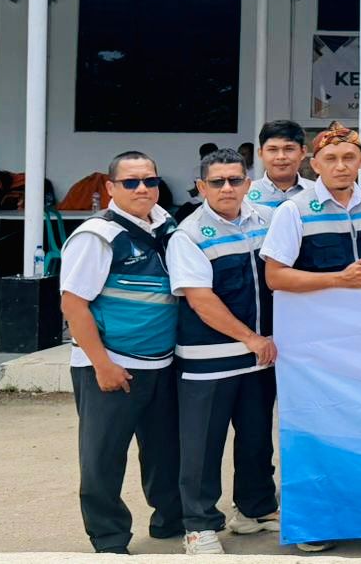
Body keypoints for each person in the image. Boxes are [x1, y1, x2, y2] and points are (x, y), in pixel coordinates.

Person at [259, 122, 361, 553]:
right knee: (316, 434)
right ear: (314, 164)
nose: (340, 166)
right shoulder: (294, 211)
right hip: (313, 348)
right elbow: (275, 277)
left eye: (349, 158)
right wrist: (337, 280)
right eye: (330, 159)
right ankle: (315, 523)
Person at [58, 151, 181, 555]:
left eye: (149, 180)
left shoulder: (167, 226)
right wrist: (102, 364)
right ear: (111, 188)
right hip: (113, 366)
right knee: (103, 457)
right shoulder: (97, 236)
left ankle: (170, 521)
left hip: (161, 363)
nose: (142, 188)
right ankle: (109, 539)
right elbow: (74, 304)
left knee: (164, 451)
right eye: (130, 182)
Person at [166, 149, 277, 555]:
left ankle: (254, 510)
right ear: (201, 187)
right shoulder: (188, 234)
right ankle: (199, 526)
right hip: (208, 362)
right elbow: (201, 300)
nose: (227, 188)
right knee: (202, 447)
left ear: (248, 183)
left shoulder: (267, 220)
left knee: (256, 439)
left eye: (234, 180)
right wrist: (251, 338)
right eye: (217, 182)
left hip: (259, 358)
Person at [249, 120, 315, 209]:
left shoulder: (318, 192)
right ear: (260, 153)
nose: (281, 156)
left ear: (303, 152)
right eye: (272, 150)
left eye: (289, 149)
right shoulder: (244, 194)